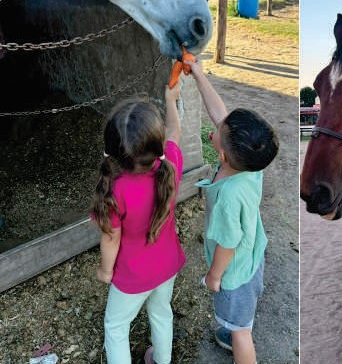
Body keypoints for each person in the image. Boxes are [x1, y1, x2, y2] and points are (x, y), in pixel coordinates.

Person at [186, 57, 279, 364]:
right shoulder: (251, 163)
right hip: (251, 259)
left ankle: (239, 335)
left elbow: (228, 243)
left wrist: (214, 276)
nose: (216, 126)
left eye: (217, 131)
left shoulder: (228, 196)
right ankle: (238, 322)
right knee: (241, 319)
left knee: (241, 332)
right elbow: (220, 114)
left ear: (222, 155)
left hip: (233, 274)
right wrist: (199, 75)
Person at [90, 88, 185, 364]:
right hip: (167, 266)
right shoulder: (170, 166)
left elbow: (111, 238)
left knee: (116, 327)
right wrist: (170, 100)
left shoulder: (115, 190)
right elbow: (175, 131)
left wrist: (106, 271)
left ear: (113, 151)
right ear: (157, 144)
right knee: (161, 312)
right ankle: (162, 360)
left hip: (132, 276)